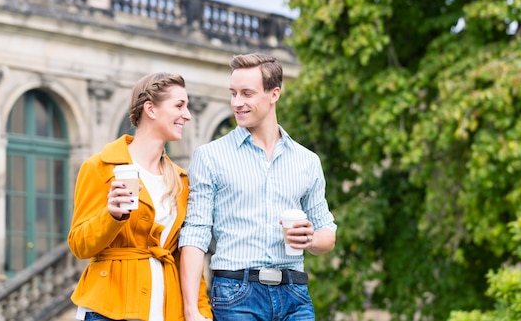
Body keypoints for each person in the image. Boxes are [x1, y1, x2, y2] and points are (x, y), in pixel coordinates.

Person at [179, 53, 337, 320]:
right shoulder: (210, 156)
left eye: (247, 93)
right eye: (233, 93)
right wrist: (191, 308)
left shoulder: (307, 161)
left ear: (273, 94)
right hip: (235, 294)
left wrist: (310, 239)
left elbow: (327, 234)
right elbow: (195, 234)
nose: (236, 103)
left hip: (295, 295)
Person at [68, 72, 212, 321]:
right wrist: (111, 216)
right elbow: (79, 244)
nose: (187, 115)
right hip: (108, 309)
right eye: (179, 105)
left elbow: (186, 255)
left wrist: (201, 312)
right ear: (151, 109)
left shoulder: (181, 181)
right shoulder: (100, 168)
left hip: (166, 310)